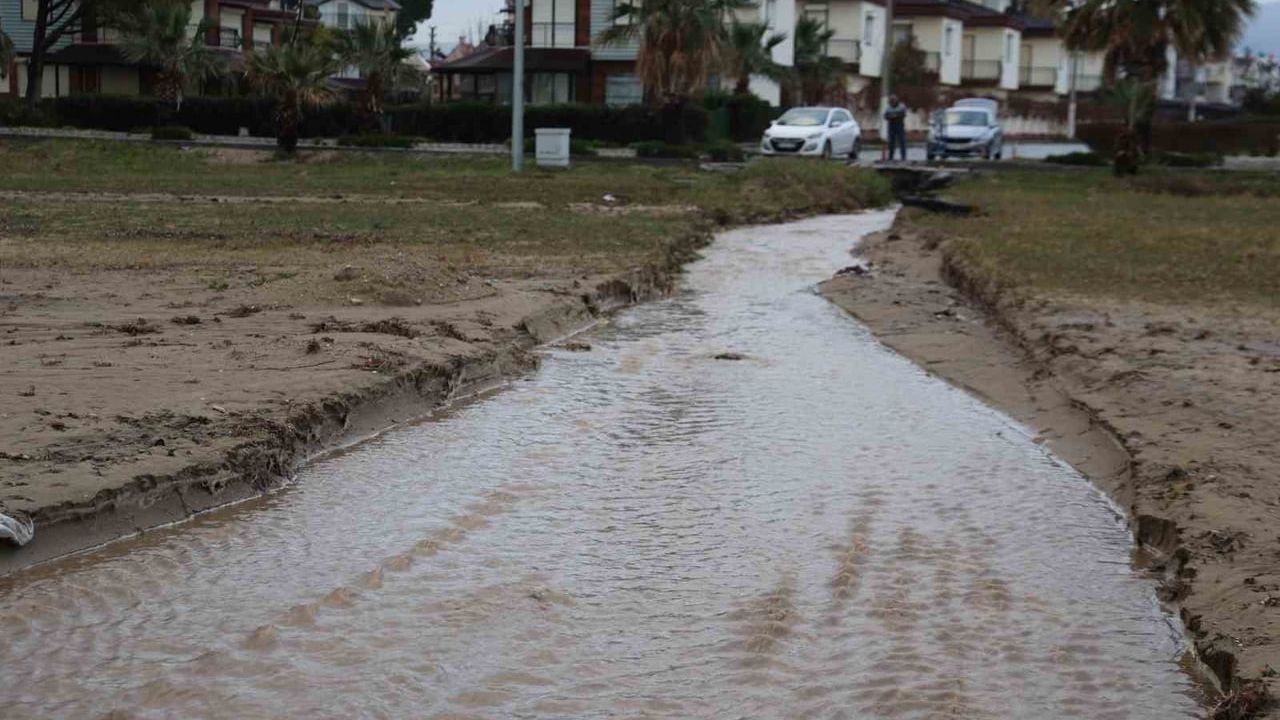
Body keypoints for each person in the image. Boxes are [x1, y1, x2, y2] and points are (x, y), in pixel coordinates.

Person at [884, 95, 908, 161]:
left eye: (893, 102)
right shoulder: (888, 107)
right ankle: (890, 157)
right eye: (891, 102)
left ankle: (903, 157)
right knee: (891, 143)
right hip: (891, 127)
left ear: (896, 101)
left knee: (902, 142)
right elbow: (885, 116)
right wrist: (892, 116)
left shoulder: (902, 106)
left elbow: (903, 114)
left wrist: (895, 116)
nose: (892, 103)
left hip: (899, 126)